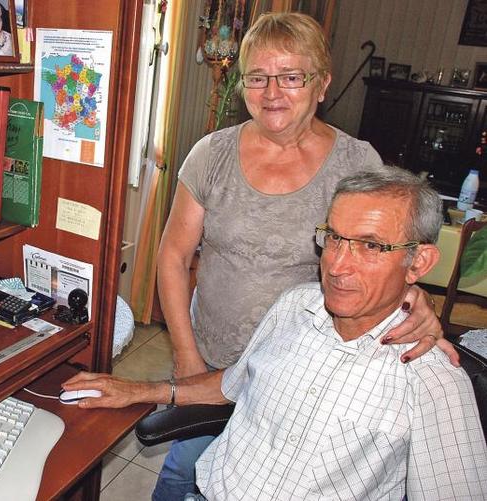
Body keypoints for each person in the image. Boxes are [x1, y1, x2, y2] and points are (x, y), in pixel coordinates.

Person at [154, 12, 453, 499]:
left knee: (269, 477)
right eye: (258, 77)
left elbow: (389, 250)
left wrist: (414, 298)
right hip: (208, 356)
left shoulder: (357, 162)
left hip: (299, 370)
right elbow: (172, 255)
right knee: (183, 472)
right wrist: (187, 357)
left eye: (291, 76)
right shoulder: (211, 154)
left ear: (321, 84)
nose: (273, 92)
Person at [64, 168, 487, 500]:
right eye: (335, 238)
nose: (337, 265)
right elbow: (233, 384)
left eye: (371, 246)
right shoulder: (294, 307)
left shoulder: (434, 381)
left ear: (418, 263)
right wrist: (138, 391)